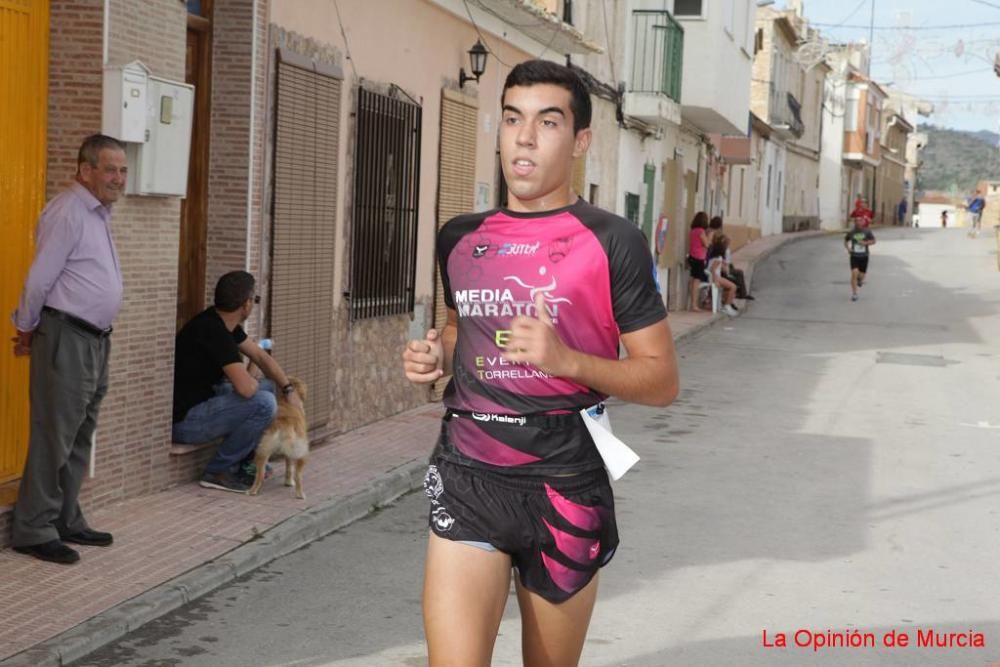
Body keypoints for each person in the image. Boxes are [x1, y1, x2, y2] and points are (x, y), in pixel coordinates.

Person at [401, 60, 679, 667]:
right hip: (468, 469)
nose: (524, 137)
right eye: (512, 119)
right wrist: (437, 355)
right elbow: (459, 327)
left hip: (565, 476)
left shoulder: (611, 241)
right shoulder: (460, 237)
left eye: (546, 122)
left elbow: (660, 379)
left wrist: (567, 360)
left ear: (579, 141)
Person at [9, 134, 127, 565]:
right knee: (54, 435)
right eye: (110, 169)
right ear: (85, 170)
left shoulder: (98, 213)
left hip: (94, 339)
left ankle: (65, 517)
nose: (118, 178)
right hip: (66, 335)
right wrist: (26, 327)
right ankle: (33, 528)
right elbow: (40, 278)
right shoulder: (68, 211)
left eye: (123, 170)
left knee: (79, 434)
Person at [172, 271, 303, 493]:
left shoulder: (221, 323)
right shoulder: (215, 333)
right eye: (255, 300)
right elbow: (246, 388)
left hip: (204, 401)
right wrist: (247, 378)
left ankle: (245, 460)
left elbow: (261, 356)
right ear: (246, 304)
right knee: (264, 402)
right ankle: (219, 470)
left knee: (271, 388)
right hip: (186, 422)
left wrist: (288, 389)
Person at [708, 215, 754, 301]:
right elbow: (716, 262)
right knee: (737, 275)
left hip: (720, 263)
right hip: (718, 267)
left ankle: (742, 294)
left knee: (737, 272)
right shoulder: (713, 234)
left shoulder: (714, 234)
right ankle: (739, 295)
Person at [845, 216, 876, 301]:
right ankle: (854, 294)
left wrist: (865, 243)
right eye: (856, 221)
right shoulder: (851, 232)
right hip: (854, 256)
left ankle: (860, 280)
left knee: (861, 276)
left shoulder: (867, 231)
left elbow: (874, 241)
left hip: (864, 256)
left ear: (863, 222)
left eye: (860, 221)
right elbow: (845, 241)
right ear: (855, 223)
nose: (858, 223)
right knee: (854, 273)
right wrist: (848, 249)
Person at [707, 234, 739, 316]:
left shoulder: (715, 257)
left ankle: (726, 304)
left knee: (730, 286)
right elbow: (712, 269)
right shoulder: (718, 258)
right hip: (716, 277)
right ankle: (727, 306)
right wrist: (715, 280)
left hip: (716, 276)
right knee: (733, 286)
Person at [687, 211, 710, 312]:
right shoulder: (701, 231)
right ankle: (694, 305)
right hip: (699, 258)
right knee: (696, 281)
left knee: (692, 280)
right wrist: (709, 237)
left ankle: (691, 303)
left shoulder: (693, 231)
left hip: (692, 256)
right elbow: (706, 244)